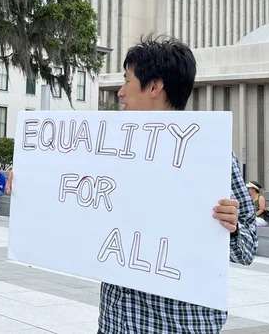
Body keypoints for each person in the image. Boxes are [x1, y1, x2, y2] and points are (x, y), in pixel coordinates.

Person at [97, 36, 256, 333]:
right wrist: (32, 176)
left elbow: (247, 249)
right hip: (117, 322)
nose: (120, 92)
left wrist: (230, 228)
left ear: (154, 87)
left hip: (180, 324)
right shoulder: (110, 150)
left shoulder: (211, 155)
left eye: (127, 80)